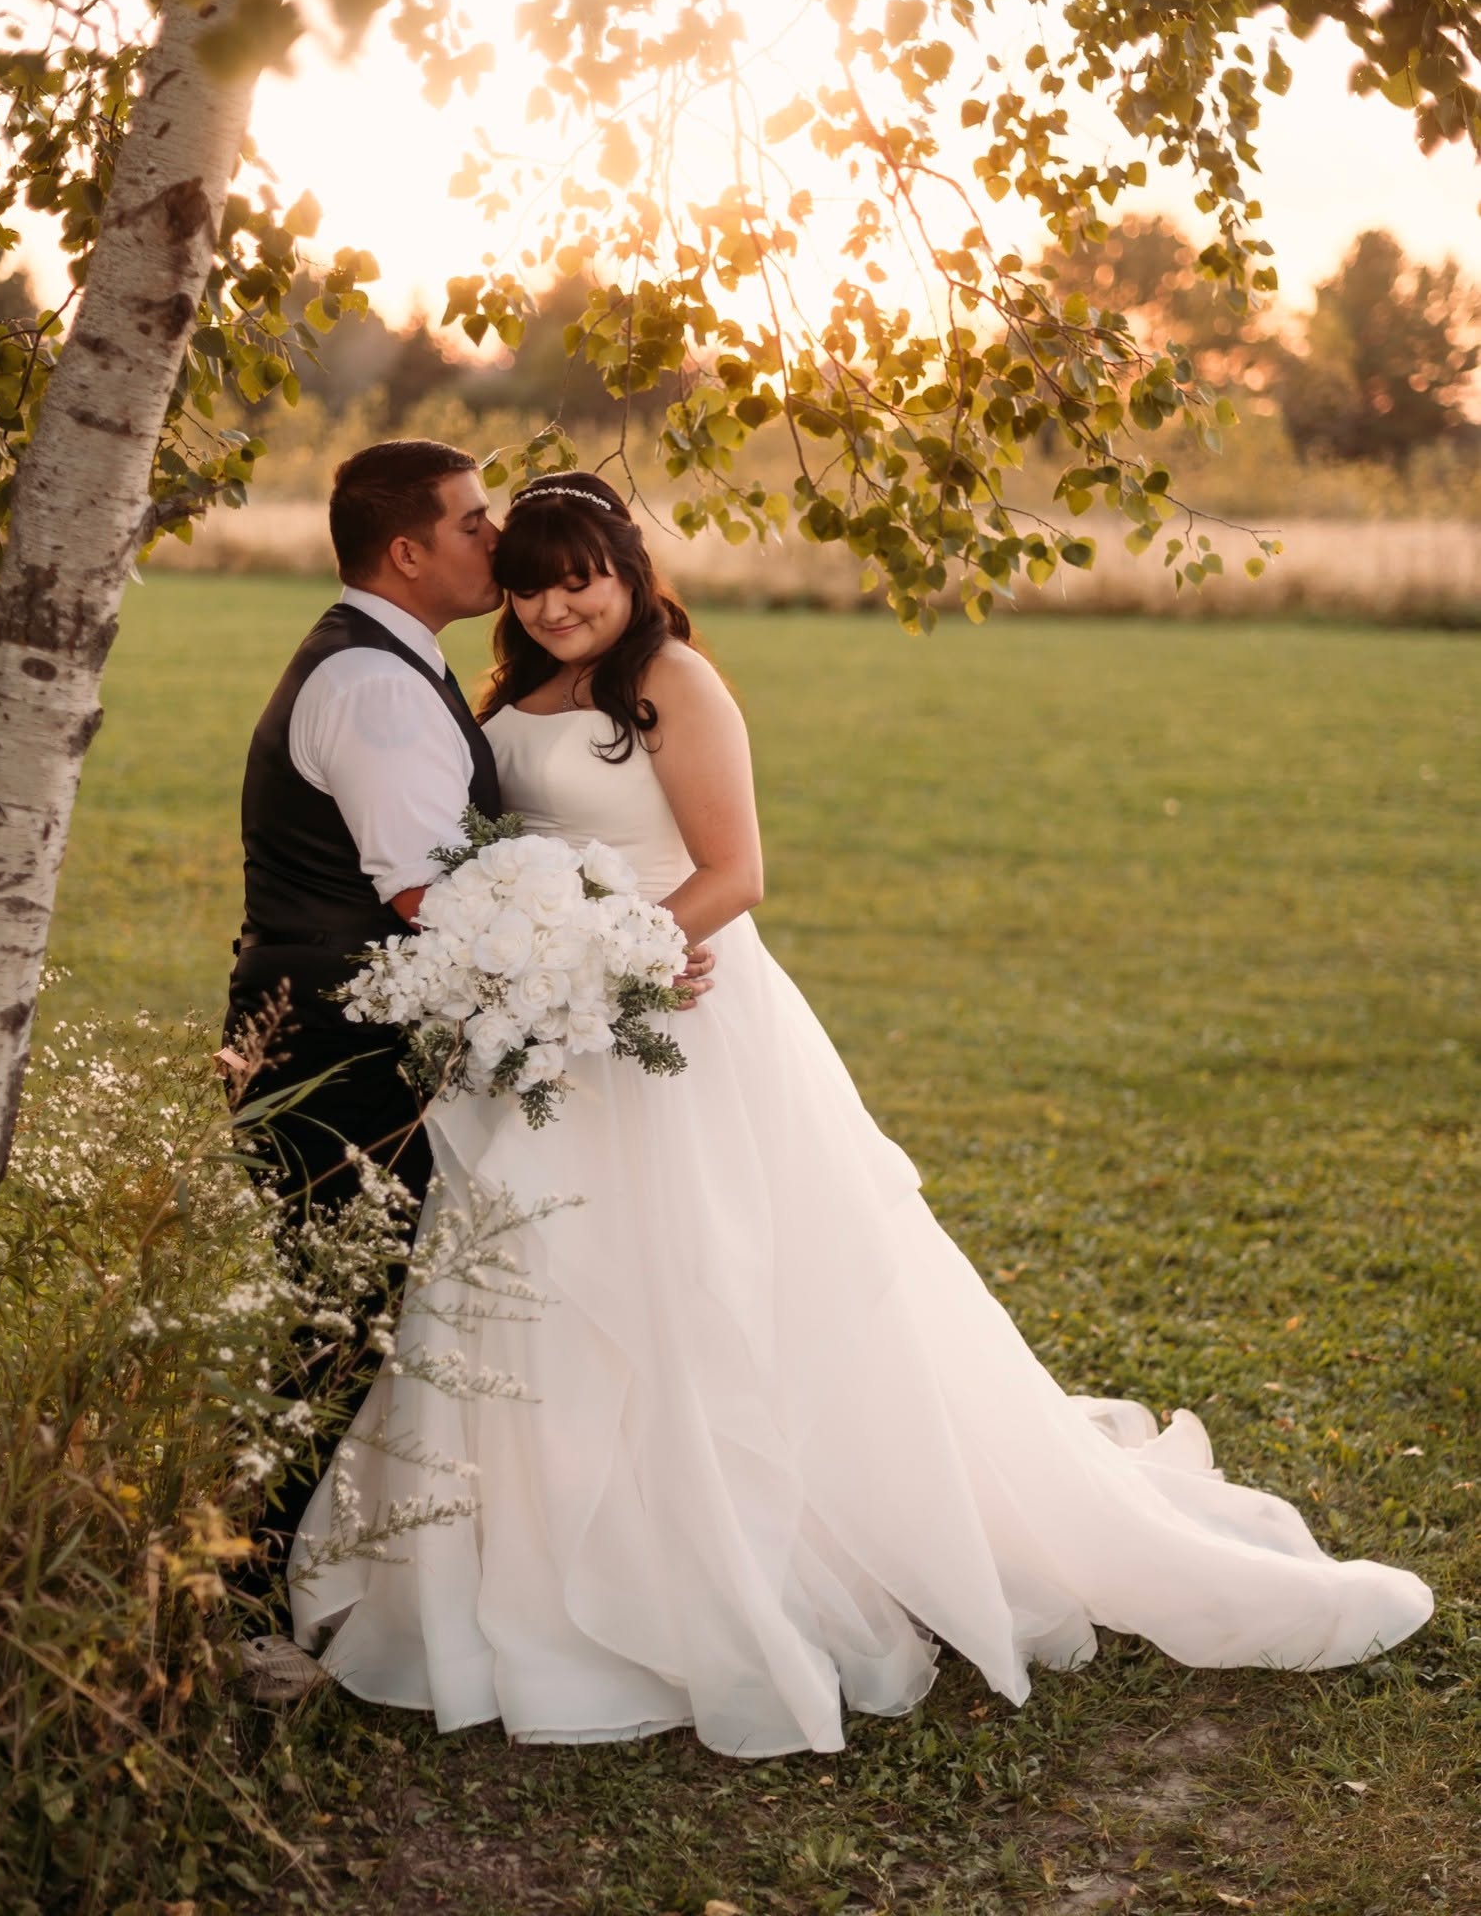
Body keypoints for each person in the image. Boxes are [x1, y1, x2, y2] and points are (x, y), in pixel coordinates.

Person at [288, 470, 1434, 1756]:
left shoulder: (672, 681)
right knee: (549, 1283)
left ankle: (746, 1548)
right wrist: (556, 978)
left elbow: (738, 871)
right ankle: (538, 1569)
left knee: (710, 1282)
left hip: (681, 1018)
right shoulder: (511, 696)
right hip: (571, 1032)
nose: (556, 603)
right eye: (532, 580)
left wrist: (605, 961)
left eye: (581, 576)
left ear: (625, 569)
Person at [222, 438, 505, 1699]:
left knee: (341, 1313)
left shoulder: (385, 659)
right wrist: (583, 948)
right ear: (409, 549)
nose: (493, 540)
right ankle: (231, 1602)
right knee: (330, 1325)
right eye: (474, 521)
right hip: (335, 1044)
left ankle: (270, 1573)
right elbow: (426, 891)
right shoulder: (380, 689)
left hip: (330, 1023)